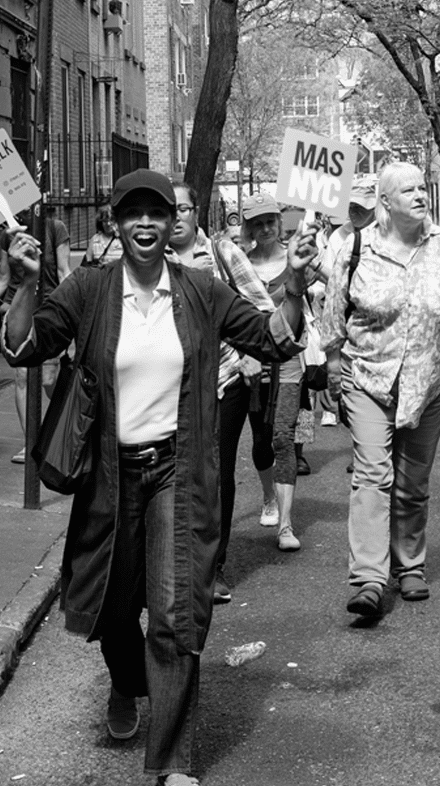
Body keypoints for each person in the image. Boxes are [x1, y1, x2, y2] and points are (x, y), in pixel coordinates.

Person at [2, 169, 316, 786]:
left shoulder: (200, 290)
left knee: (175, 614)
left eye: (157, 214)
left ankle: (175, 762)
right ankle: (125, 682)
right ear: (116, 223)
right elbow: (23, 347)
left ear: (173, 224)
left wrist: (294, 284)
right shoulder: (90, 290)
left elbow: (274, 339)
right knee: (114, 610)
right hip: (109, 476)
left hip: (177, 469)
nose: (146, 224)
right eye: (132, 213)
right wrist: (24, 284)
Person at [321, 162, 440, 618]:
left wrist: (436, 347)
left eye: (421, 187)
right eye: (406, 190)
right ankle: (369, 578)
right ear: (384, 202)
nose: (419, 195)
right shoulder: (357, 247)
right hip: (368, 377)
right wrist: (334, 367)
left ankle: (410, 564)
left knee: (412, 483)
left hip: (429, 384)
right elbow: (334, 313)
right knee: (373, 474)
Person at [167, 181, 276, 605]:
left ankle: (214, 566)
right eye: (168, 209)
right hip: (170, 388)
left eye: (183, 208)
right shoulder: (148, 258)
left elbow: (263, 309)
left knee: (222, 471)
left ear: (198, 213)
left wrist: (250, 354)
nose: (176, 217)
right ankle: (175, 560)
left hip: (226, 379)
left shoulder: (222, 253)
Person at [0, 210, 70, 464]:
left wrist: (77, 311)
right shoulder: (6, 237)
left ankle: (64, 428)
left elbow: (64, 273)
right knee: (23, 375)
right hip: (17, 311)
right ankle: (33, 443)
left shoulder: (55, 228)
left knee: (51, 380)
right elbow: (3, 279)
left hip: (50, 312)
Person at [242, 192, 318, 551]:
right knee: (261, 441)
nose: (266, 227)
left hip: (287, 360)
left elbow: (334, 281)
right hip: (252, 361)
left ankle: (285, 525)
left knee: (283, 439)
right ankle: (268, 496)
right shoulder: (238, 265)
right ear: (249, 228)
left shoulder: (295, 258)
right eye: (258, 223)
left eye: (270, 220)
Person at [313, 177, 379, 428]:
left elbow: (332, 286)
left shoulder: (338, 240)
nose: (351, 211)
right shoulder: (310, 246)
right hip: (302, 335)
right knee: (302, 398)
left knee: (304, 400)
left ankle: (299, 453)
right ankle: (293, 454)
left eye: (359, 207)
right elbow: (326, 288)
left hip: (319, 328)